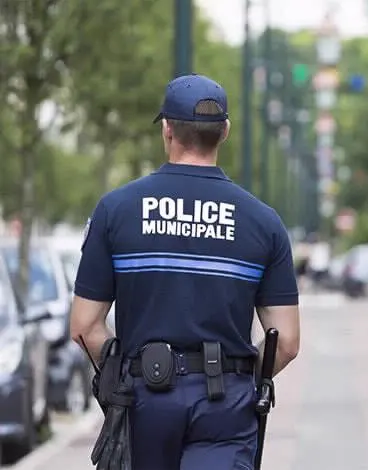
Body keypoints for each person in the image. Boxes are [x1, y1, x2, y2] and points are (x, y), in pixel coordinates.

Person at [70, 74, 300, 470]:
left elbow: (84, 325)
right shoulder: (264, 222)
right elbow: (288, 341)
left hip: (143, 398)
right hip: (226, 403)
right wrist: (239, 380)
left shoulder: (116, 210)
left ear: (167, 129)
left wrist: (122, 377)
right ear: (225, 132)